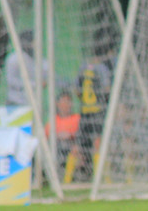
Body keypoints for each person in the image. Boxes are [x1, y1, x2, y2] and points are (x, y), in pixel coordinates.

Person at [76, 32, 116, 179]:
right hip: (98, 111)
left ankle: (85, 174)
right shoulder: (102, 69)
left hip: (85, 110)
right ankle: (103, 177)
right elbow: (106, 89)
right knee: (99, 143)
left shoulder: (83, 67)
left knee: (84, 145)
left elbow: (77, 90)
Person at [44, 90, 82, 183]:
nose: (66, 105)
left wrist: (71, 135)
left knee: (75, 149)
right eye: (64, 101)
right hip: (56, 148)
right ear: (58, 104)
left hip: (72, 147)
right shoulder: (53, 120)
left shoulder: (76, 118)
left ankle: (67, 181)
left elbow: (82, 135)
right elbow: (46, 136)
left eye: (68, 101)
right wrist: (58, 135)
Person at [4, 30, 49, 107]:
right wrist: (36, 84)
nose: (36, 45)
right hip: (14, 103)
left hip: (33, 103)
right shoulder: (14, 59)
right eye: (33, 42)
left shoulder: (41, 61)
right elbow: (11, 81)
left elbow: (48, 76)